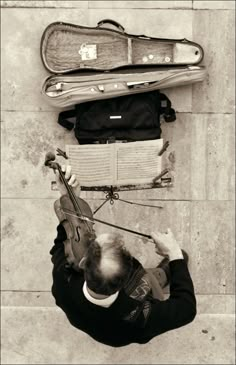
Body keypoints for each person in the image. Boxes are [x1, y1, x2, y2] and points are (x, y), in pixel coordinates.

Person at [50, 165, 196, 347]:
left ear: (84, 261)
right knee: (150, 281)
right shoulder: (140, 315)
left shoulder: (63, 280)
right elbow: (187, 309)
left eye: (93, 238)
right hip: (124, 331)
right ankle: (160, 277)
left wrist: (71, 200)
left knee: (149, 278)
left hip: (95, 325)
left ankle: (159, 275)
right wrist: (174, 254)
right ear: (129, 274)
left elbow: (65, 241)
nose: (90, 235)